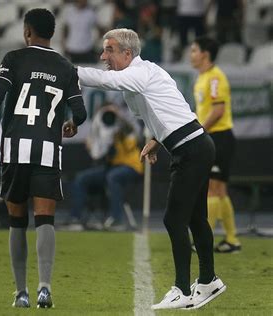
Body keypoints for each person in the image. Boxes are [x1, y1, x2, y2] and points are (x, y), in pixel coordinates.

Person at [77, 28, 225, 310]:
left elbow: (106, 80)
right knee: (194, 217)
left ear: (127, 53)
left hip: (192, 148)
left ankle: (182, 289)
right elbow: (172, 108)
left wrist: (68, 72)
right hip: (192, 145)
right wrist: (157, 140)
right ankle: (208, 281)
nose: (103, 56)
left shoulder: (139, 72)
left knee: (174, 218)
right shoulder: (146, 74)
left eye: (109, 50)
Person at [0, 8, 86, 309]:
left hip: (15, 150)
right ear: (52, 34)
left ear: (27, 32)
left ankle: (21, 292)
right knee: (45, 220)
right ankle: (45, 288)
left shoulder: (13, 60)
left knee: (17, 221)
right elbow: (81, 112)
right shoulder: (65, 67)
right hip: (47, 152)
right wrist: (72, 124)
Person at [190, 36, 241, 253]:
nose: (191, 55)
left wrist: (199, 131)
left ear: (205, 54)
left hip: (219, 137)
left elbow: (218, 111)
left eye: (194, 50)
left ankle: (205, 240)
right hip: (215, 137)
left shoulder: (214, 78)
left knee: (213, 188)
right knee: (219, 190)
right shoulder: (203, 78)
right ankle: (232, 240)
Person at [65, 104, 143, 231]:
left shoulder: (126, 126)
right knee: (82, 178)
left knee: (113, 177)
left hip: (131, 167)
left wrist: (119, 118)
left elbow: (136, 134)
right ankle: (76, 218)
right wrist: (97, 139)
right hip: (112, 167)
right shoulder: (105, 130)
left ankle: (116, 220)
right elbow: (98, 154)